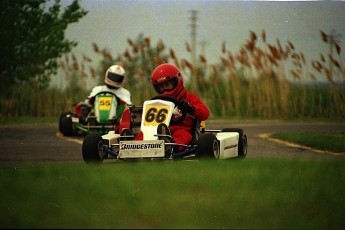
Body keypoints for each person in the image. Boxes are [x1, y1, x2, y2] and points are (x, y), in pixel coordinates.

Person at [126, 63, 209, 152]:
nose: (165, 89)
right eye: (161, 87)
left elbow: (205, 113)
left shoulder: (189, 98)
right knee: (144, 134)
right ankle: (131, 147)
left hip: (182, 129)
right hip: (158, 130)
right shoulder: (158, 102)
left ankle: (170, 147)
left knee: (181, 135)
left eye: (167, 85)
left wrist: (191, 108)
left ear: (177, 80)